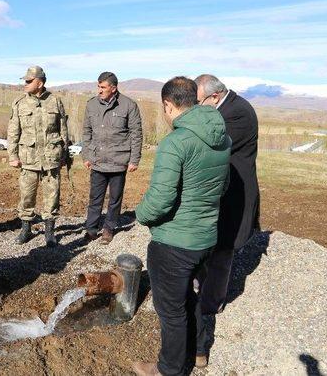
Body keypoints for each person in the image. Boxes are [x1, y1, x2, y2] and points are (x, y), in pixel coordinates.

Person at [132, 77, 231, 376]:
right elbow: (223, 186)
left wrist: (141, 214)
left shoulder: (176, 142)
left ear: (169, 105)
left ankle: (169, 369)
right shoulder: (222, 138)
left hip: (173, 243)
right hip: (206, 238)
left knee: (171, 310)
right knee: (194, 298)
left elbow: (161, 200)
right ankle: (199, 352)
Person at [194, 74, 260, 367]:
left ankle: (212, 302)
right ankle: (204, 286)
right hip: (222, 188)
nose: (199, 108)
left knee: (224, 248)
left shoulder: (239, 113)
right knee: (213, 242)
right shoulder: (223, 108)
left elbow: (216, 145)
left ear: (215, 96)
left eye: (200, 103)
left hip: (236, 191)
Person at [7, 65, 68, 247]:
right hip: (29, 158)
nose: (25, 84)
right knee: (27, 196)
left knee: (52, 196)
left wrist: (64, 156)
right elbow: (13, 132)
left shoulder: (55, 101)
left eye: (28, 81)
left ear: (40, 83)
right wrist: (12, 155)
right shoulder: (19, 104)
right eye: (25, 81)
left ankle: (49, 232)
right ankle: (26, 229)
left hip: (51, 158)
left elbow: (63, 130)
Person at [82, 71, 143, 244]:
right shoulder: (91, 105)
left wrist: (134, 160)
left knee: (115, 198)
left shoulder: (128, 105)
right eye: (98, 86)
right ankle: (91, 229)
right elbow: (86, 132)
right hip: (97, 160)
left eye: (103, 87)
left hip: (119, 161)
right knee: (95, 198)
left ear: (114, 88)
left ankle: (109, 229)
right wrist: (86, 155)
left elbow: (136, 134)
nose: (99, 90)